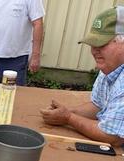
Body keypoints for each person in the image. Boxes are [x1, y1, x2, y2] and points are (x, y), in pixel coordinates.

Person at [41, 7, 124, 147]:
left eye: (101, 44)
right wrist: (65, 112)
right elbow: (97, 105)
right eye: (92, 44)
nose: (94, 50)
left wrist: (68, 117)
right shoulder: (109, 67)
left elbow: (112, 136)